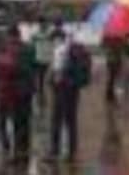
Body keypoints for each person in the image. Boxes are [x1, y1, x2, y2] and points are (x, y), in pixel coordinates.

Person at [48, 32, 90, 162]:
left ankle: (66, 152)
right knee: (60, 120)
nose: (54, 42)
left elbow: (69, 70)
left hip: (67, 89)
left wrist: (62, 76)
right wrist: (53, 78)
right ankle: (59, 151)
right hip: (62, 89)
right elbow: (55, 69)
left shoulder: (70, 51)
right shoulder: (59, 50)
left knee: (66, 120)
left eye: (55, 39)